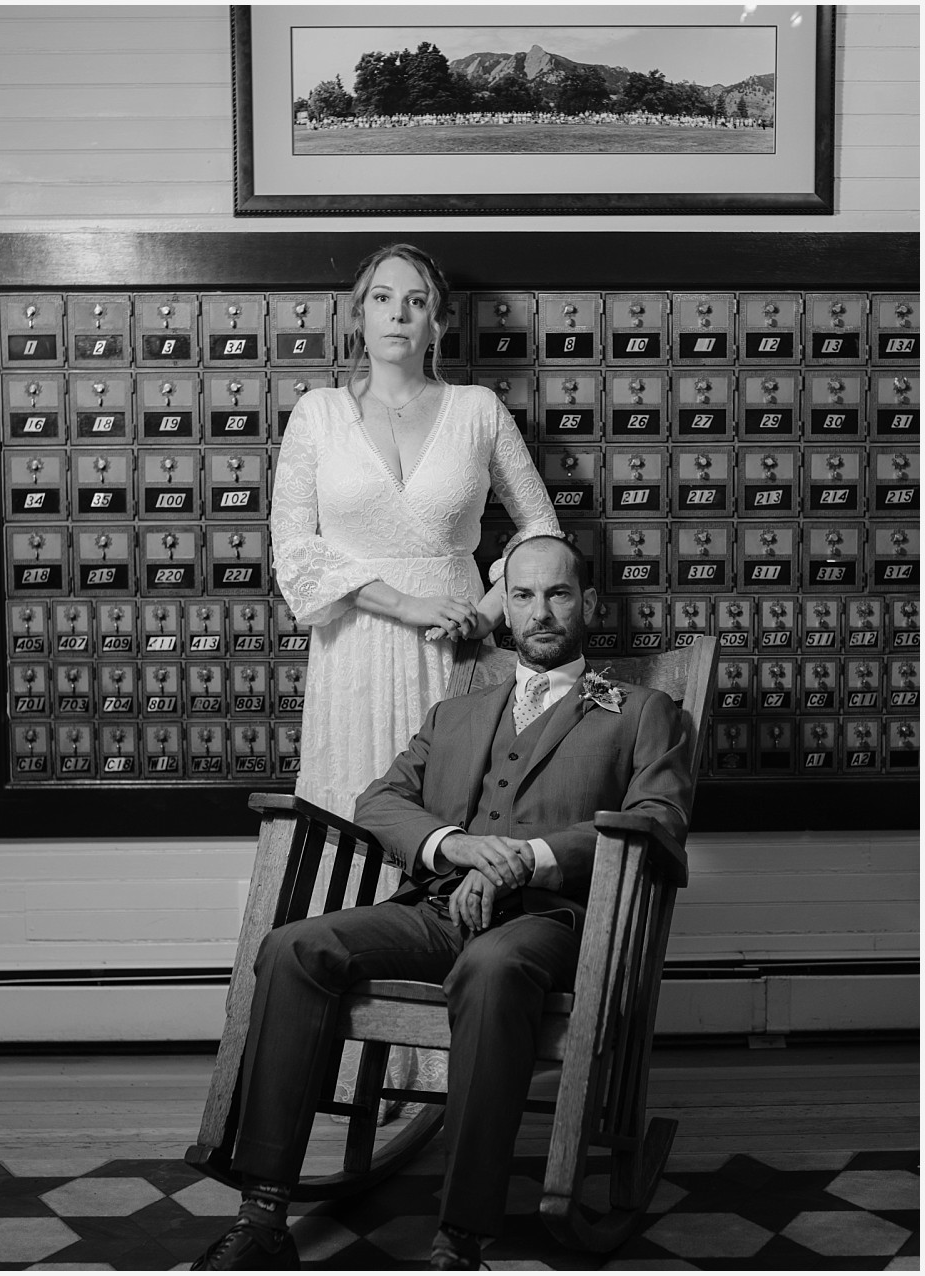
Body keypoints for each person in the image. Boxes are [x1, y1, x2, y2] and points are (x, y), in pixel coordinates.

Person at [192, 536, 692, 1271]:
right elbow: (381, 800)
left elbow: (659, 819)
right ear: (506, 608)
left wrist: (530, 857)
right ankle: (264, 1206)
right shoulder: (458, 711)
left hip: (548, 923)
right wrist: (454, 845)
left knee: (491, 969)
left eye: (557, 594)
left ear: (588, 603)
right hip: (434, 909)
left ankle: (460, 1237)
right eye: (523, 595)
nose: (541, 611)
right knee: (294, 948)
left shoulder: (644, 712)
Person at [270, 243, 560, 1105]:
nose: (399, 313)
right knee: (356, 830)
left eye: (418, 299)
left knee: (457, 829)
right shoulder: (317, 414)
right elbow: (295, 549)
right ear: (357, 314)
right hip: (359, 650)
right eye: (383, 298)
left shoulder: (477, 410)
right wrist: (400, 603)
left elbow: (537, 530)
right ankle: (342, 1060)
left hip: (462, 655)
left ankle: (451, 1059)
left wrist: (495, 610)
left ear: (439, 319)